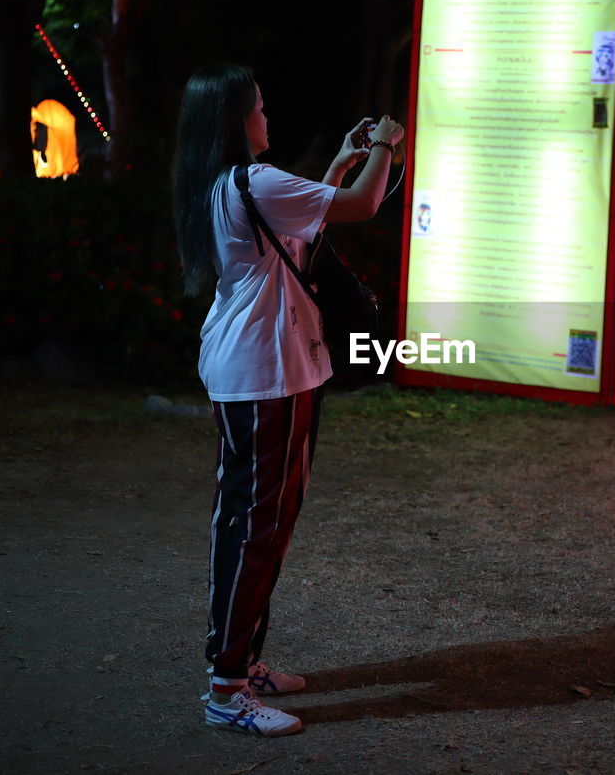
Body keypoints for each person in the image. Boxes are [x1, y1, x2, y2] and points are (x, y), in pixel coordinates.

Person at [171, 64, 404, 737]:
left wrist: (340, 160)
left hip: (260, 367)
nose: (268, 119)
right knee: (256, 528)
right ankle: (227, 688)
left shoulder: (227, 185)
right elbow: (359, 208)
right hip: (267, 373)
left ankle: (242, 663)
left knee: (253, 522)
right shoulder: (255, 182)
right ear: (235, 120)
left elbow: (302, 234)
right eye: (260, 108)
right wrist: (386, 146)